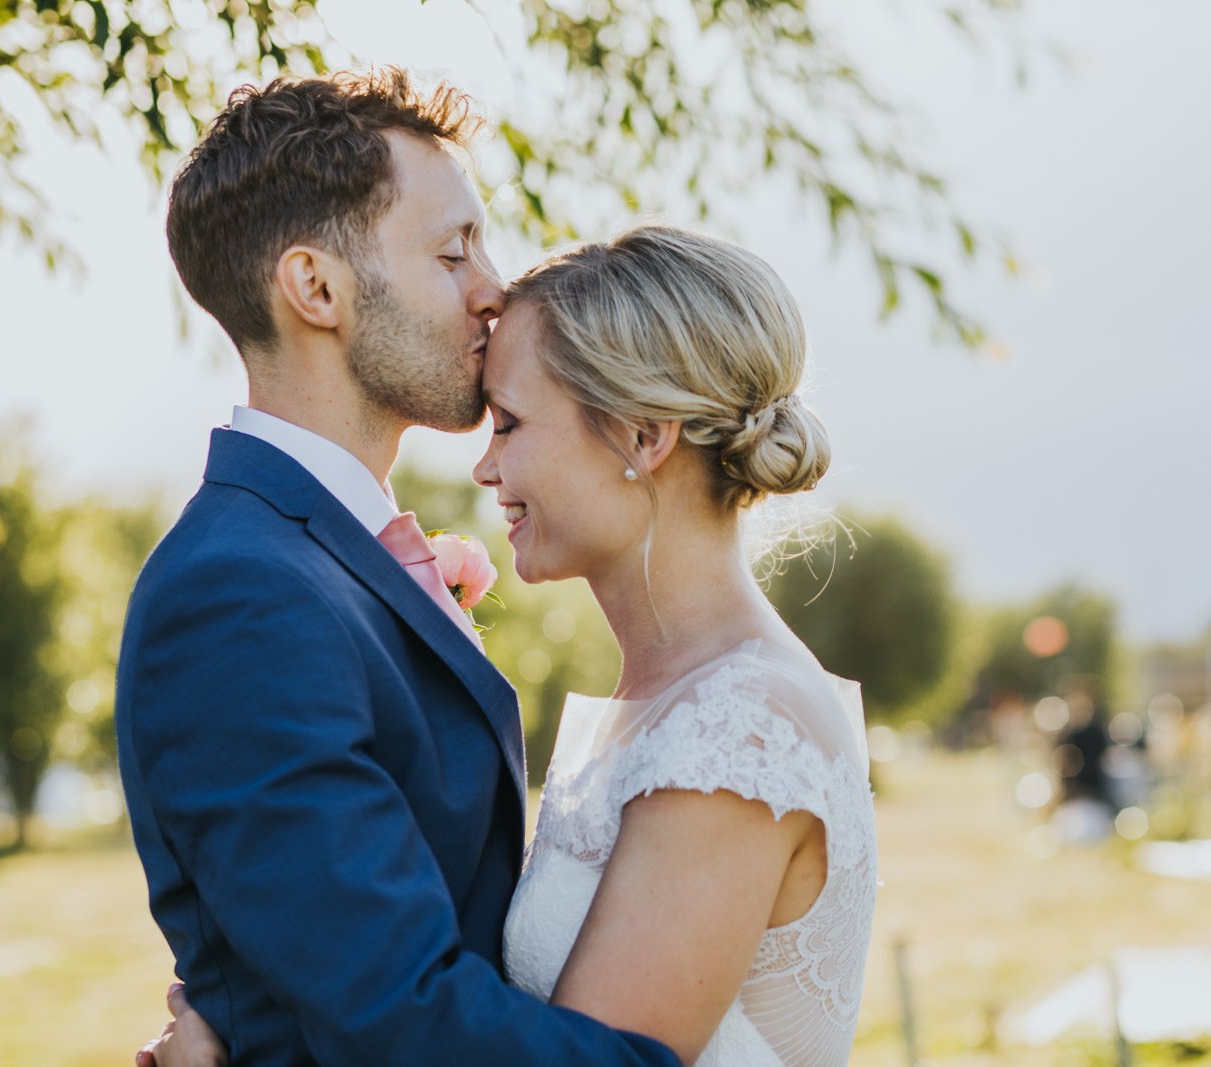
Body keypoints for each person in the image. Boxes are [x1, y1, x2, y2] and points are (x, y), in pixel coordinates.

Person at [133, 71, 877, 1067]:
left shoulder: (328, 569)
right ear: (316, 289)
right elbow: (388, 1004)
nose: (491, 284)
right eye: (453, 251)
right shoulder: (243, 594)